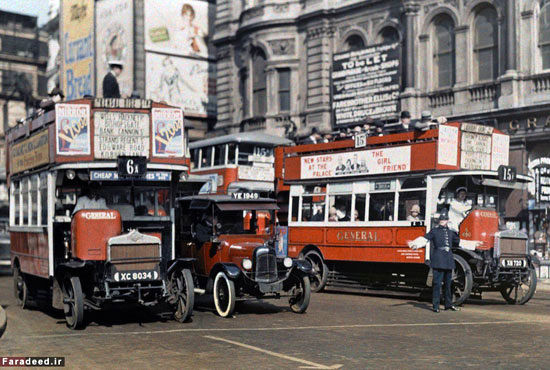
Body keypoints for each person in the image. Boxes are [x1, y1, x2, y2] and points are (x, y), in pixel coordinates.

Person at [408, 208, 460, 312]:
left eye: (445, 219)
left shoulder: (450, 232)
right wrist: (415, 244)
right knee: (437, 284)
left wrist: (474, 244)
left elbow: (460, 242)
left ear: (447, 221)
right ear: (439, 221)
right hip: (438, 260)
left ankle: (448, 305)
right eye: (442, 219)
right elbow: (425, 239)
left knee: (448, 284)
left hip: (448, 260)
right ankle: (435, 306)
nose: (443, 221)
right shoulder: (434, 231)